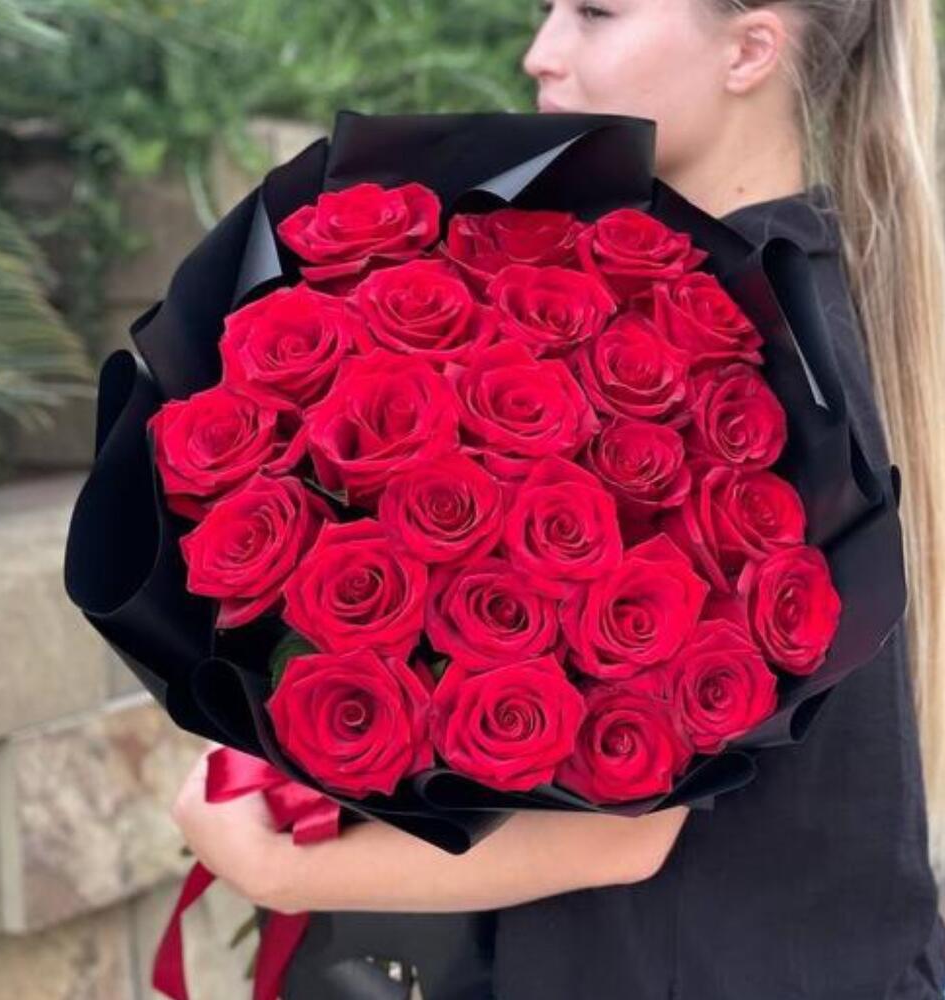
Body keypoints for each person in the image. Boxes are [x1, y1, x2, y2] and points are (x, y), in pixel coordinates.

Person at [169, 1, 945, 997]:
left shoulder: (743, 366)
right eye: (546, 11)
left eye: (595, 12)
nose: (541, 53)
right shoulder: (768, 296)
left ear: (749, 50)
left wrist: (277, 867)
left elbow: (623, 832)